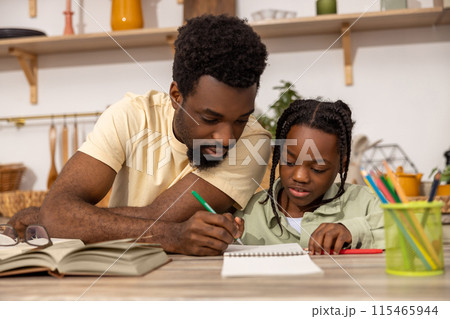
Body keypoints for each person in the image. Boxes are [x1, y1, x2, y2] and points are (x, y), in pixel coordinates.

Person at [9, 15, 271, 256]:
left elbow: (159, 215)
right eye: (210, 118)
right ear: (177, 97)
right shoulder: (131, 116)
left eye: (241, 119)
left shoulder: (253, 142)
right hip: (116, 271)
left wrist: (67, 218)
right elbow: (58, 214)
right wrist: (171, 236)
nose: (227, 138)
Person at [234, 99, 385, 254]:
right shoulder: (248, 213)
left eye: (317, 169)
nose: (300, 177)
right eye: (290, 162)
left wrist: (352, 231)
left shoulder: (365, 203)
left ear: (343, 165)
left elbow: (406, 228)